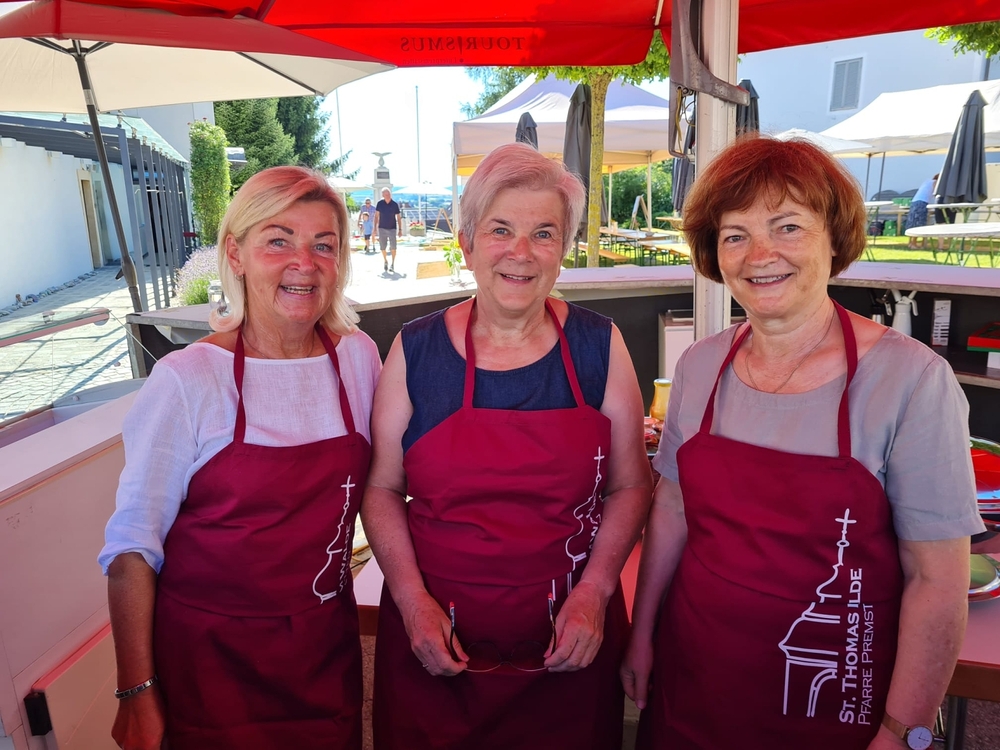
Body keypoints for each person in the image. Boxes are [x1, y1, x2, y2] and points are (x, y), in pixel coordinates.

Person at [622, 136, 984, 750]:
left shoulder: (912, 380)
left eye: (787, 226)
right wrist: (641, 634)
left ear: (833, 237)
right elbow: (673, 508)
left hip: (835, 694)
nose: (759, 255)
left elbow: (937, 580)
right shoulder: (699, 366)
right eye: (734, 235)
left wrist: (902, 730)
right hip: (694, 679)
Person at [363, 142, 652, 749]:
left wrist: (597, 590)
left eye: (543, 233)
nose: (520, 252)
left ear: (563, 250)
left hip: (569, 651)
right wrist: (411, 601)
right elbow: (382, 488)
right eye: (500, 230)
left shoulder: (600, 346)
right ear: (466, 243)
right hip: (435, 649)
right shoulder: (415, 350)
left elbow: (631, 485)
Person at [99, 166, 381, 750]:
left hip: (323, 650)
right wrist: (137, 691)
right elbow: (132, 546)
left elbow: (384, 487)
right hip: (211, 664)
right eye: (279, 240)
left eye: (323, 245)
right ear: (236, 253)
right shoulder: (187, 378)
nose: (304, 263)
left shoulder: (359, 359)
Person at [374, 186, 402, 273]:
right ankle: (385, 260)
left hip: (392, 228)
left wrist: (400, 229)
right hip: (382, 228)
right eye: (386, 194)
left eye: (389, 194)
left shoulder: (394, 204)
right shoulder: (380, 204)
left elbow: (398, 217)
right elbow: (376, 216)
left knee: (393, 247)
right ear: (383, 195)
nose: (388, 195)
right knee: (382, 247)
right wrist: (374, 228)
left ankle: (392, 263)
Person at [906, 173, 937, 250]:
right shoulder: (935, 182)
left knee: (913, 222)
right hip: (922, 203)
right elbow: (935, 194)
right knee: (919, 223)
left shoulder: (927, 181)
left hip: (914, 202)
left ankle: (910, 243)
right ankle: (914, 243)